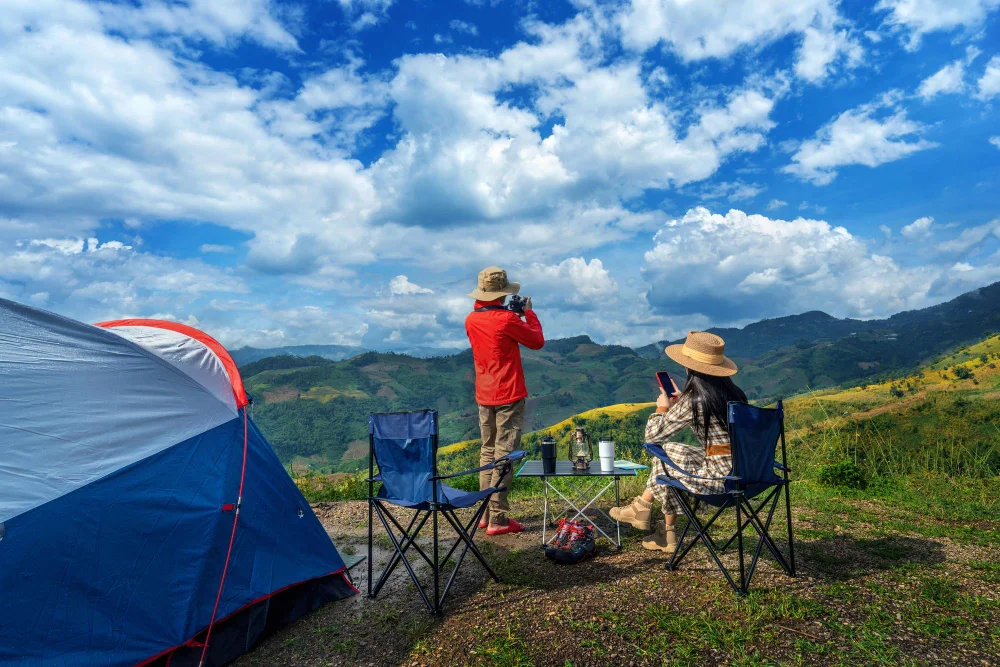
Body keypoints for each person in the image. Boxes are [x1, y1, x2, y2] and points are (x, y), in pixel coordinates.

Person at [610, 331, 747, 553]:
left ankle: (650, 516)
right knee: (672, 450)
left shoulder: (695, 400)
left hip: (720, 481)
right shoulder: (736, 395)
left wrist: (663, 407)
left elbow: (652, 437)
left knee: (662, 456)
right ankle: (653, 519)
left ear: (690, 367)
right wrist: (682, 401)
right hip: (749, 474)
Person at [465, 266, 544, 535]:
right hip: (508, 393)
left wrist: (511, 315)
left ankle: (485, 514)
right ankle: (498, 519)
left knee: (487, 451)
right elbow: (536, 341)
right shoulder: (507, 320)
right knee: (505, 455)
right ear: (503, 293)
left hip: (484, 393)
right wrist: (528, 314)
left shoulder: (471, 320)